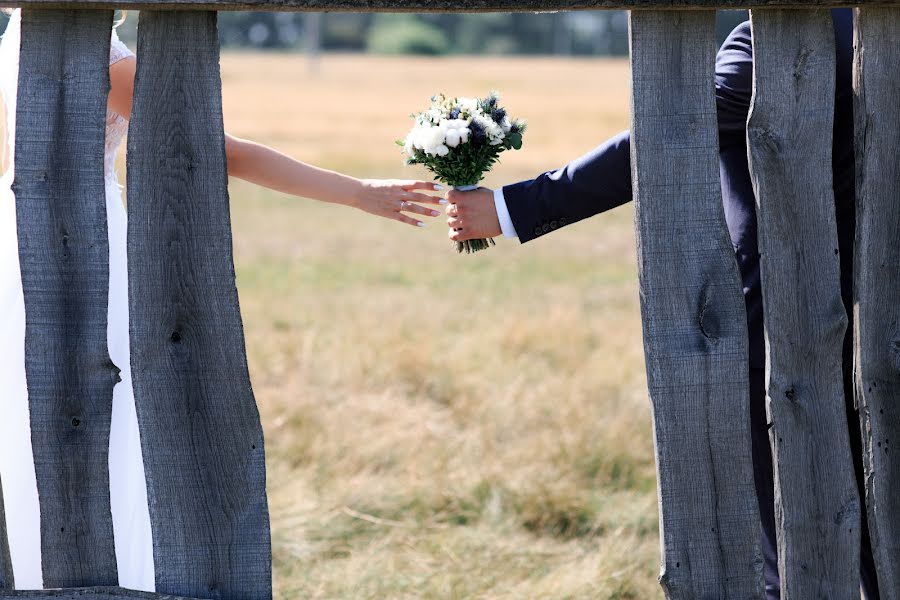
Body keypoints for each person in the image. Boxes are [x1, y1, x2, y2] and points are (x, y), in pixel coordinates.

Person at [0, 8, 442, 591]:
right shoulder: (103, 60)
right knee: (114, 404)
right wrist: (358, 192)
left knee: (35, 403)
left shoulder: (18, 41)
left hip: (19, 233)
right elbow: (212, 148)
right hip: (85, 237)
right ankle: (116, 571)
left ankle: (42, 569)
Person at [446, 9, 878, 599]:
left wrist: (509, 209)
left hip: (783, 316)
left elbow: (676, 127)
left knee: (788, 532)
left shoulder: (775, 36)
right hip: (879, 318)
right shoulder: (867, 27)